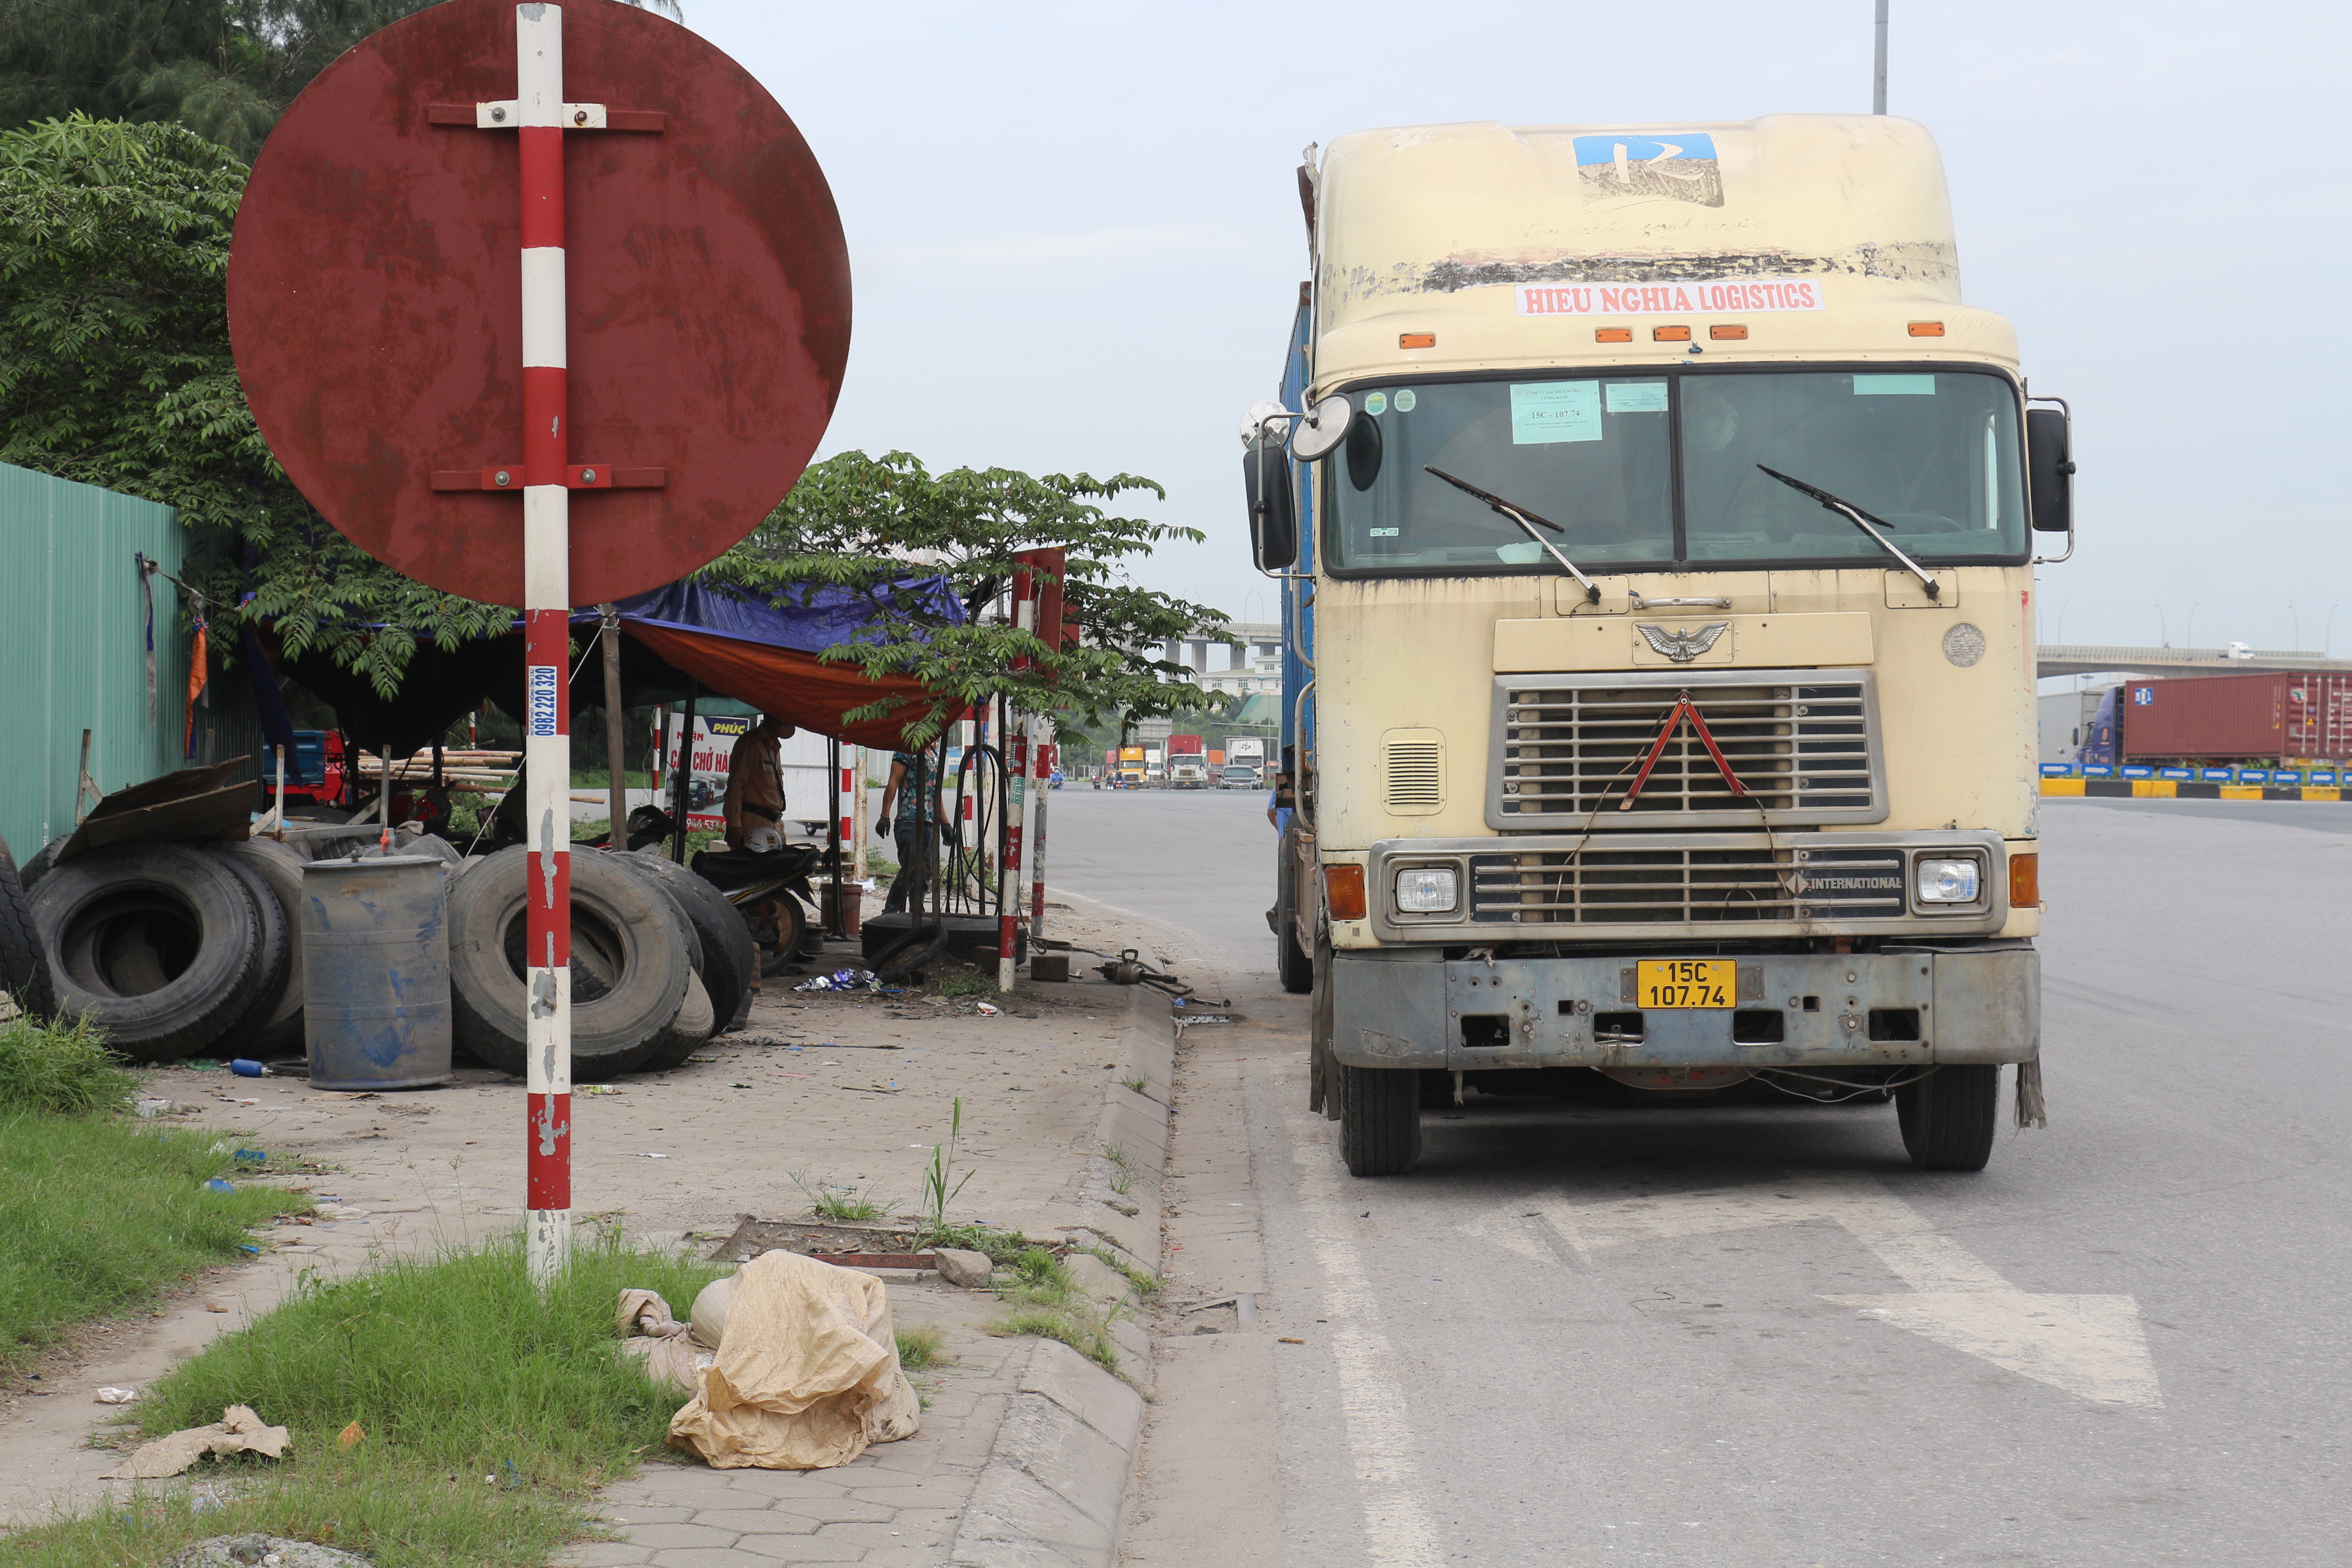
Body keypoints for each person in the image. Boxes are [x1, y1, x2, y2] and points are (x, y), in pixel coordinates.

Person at [876, 745, 941, 914]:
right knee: (911, 871)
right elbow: (894, 781)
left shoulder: (933, 754)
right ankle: (890, 913)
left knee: (925, 871)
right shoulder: (907, 749)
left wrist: (946, 824)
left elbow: (935, 793)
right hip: (909, 820)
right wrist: (885, 815)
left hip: (928, 821)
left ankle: (916, 912)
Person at [720, 714, 795, 851]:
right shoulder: (751, 743)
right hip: (754, 824)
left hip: (774, 823)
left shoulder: (773, 747)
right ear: (773, 718)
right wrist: (735, 825)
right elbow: (735, 787)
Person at [1266, 769, 1295, 833]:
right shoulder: (1304, 788)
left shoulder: (1278, 788)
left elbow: (1270, 813)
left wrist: (1279, 829)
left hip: (1284, 836)